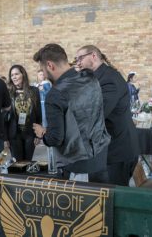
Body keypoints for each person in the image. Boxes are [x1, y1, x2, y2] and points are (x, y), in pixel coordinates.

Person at [32, 43, 111, 183]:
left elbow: (55, 138)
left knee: (81, 204)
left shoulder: (55, 94)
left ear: (50, 65)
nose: (43, 74)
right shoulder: (90, 77)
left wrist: (42, 133)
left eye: (42, 69)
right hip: (101, 158)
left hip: (78, 166)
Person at [75, 45, 139, 186]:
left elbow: (95, 114)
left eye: (80, 58)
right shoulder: (97, 78)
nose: (78, 63)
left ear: (93, 56)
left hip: (116, 150)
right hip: (105, 150)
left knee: (111, 199)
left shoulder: (108, 79)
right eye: (76, 59)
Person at [7, 65, 42, 161]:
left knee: (28, 162)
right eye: (12, 75)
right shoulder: (8, 92)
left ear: (23, 75)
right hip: (14, 134)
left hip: (30, 133)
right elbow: (4, 117)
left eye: (16, 74)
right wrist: (5, 138)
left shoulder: (34, 91)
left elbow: (38, 113)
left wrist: (38, 134)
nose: (14, 77)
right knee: (17, 163)